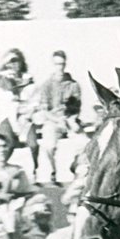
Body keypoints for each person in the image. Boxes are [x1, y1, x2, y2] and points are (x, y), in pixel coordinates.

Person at [28, 49, 83, 184]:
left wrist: (71, 119)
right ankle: (53, 171)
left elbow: (76, 107)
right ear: (53, 65)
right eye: (57, 64)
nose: (60, 68)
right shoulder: (46, 85)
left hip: (69, 120)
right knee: (49, 146)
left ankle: (77, 171)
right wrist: (57, 120)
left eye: (62, 64)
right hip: (52, 121)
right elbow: (45, 109)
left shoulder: (74, 85)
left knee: (83, 143)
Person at [0, 48, 35, 161]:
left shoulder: (28, 79)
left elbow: (32, 101)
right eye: (10, 62)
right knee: (7, 143)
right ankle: (1, 166)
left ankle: (35, 168)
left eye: (16, 61)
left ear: (21, 62)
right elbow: (5, 90)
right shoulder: (2, 78)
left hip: (24, 117)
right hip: (7, 117)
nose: (13, 64)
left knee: (33, 144)